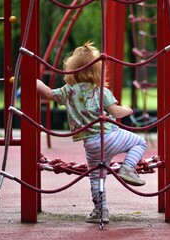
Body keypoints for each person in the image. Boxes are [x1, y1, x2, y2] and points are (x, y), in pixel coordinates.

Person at [36, 41, 147, 224]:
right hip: (111, 136)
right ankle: (128, 167)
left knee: (96, 176)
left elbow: (47, 94)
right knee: (139, 143)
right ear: (98, 72)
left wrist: (35, 81)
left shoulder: (68, 91)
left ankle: (100, 211)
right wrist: (127, 109)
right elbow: (116, 112)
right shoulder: (101, 91)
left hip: (91, 144)